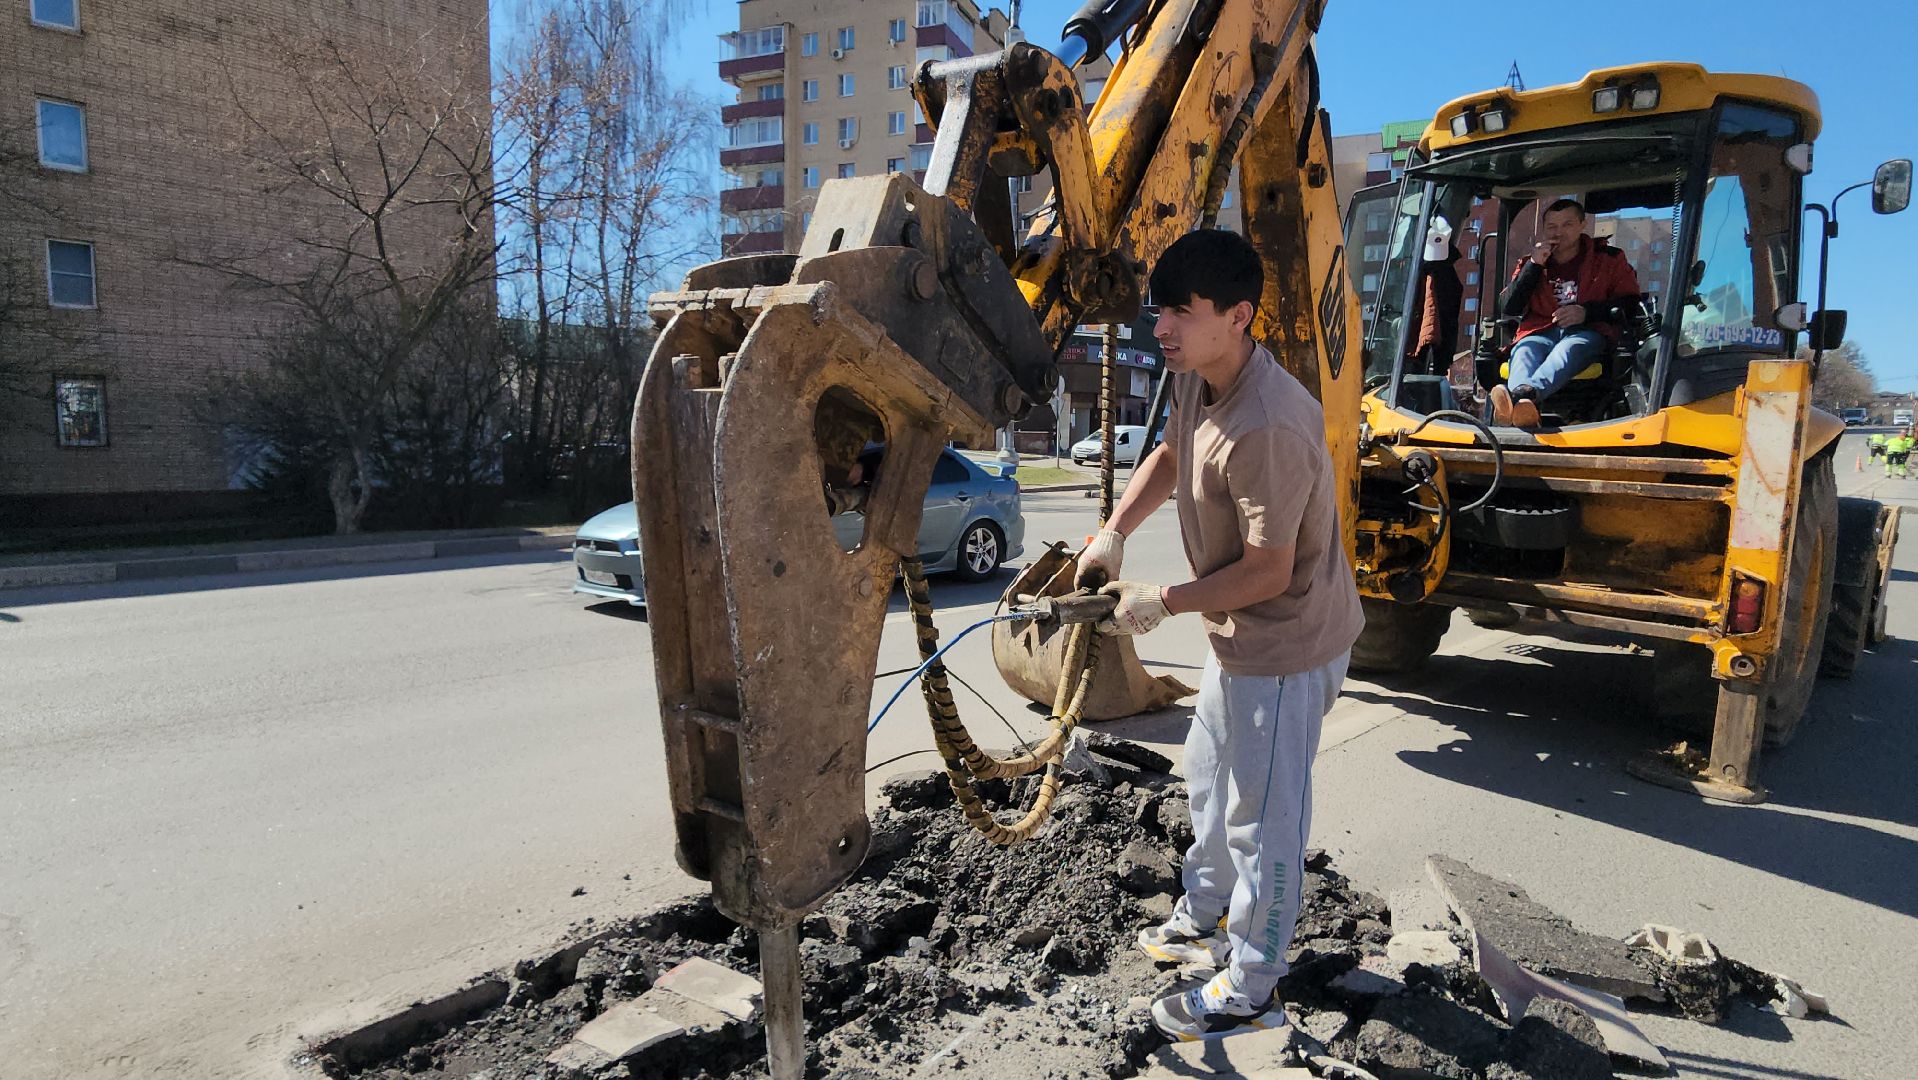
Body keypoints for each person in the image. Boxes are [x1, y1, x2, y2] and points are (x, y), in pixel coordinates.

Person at [1078, 229, 1364, 1042]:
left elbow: (1271, 571)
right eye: (1158, 308)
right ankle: (1203, 915)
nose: (1160, 326)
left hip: (1287, 644)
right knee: (1205, 775)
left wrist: (1164, 600)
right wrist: (1114, 533)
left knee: (1263, 818)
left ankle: (1251, 984)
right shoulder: (1198, 375)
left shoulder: (1269, 426)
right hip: (1240, 634)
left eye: (1180, 310)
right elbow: (1172, 454)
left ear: (1238, 316)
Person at [1491, 198, 1642, 428]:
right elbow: (1509, 307)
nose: (1559, 232)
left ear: (1582, 224)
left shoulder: (1608, 259)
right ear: (1544, 230)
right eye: (1552, 226)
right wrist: (1533, 266)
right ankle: (1521, 407)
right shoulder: (1530, 263)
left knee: (1569, 348)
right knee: (1523, 351)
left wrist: (1586, 312)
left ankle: (1520, 398)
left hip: (1587, 332)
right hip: (1539, 331)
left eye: (1567, 224)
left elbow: (1631, 303)